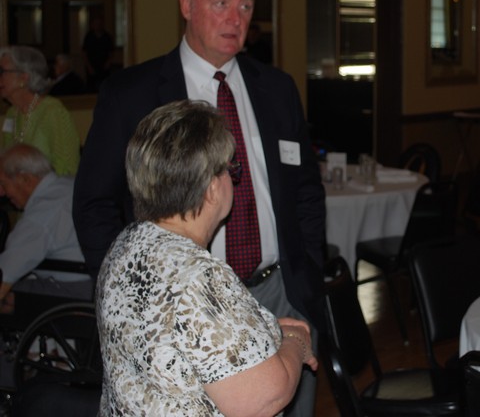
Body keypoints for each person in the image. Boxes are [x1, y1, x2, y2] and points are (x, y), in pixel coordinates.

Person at [73, 0, 326, 417]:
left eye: (247, 6)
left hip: (280, 289)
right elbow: (93, 202)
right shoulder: (134, 92)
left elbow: (306, 189)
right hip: (181, 302)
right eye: (222, 2)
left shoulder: (277, 88)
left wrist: (307, 269)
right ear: (186, 3)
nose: (236, 19)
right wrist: (130, 289)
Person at [97, 100, 318, 415]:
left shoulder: (127, 245)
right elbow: (261, 400)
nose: (232, 179)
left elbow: (178, 344)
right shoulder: (198, 276)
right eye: (230, 169)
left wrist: (267, 329)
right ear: (213, 188)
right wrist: (294, 341)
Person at [0, 144, 92, 312]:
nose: (2, 193)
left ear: (25, 179)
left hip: (75, 292)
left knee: (9, 298)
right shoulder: (69, 185)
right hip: (98, 282)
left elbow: (6, 272)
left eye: (4, 184)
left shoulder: (44, 211)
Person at [0, 46, 81, 176]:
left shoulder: (53, 111)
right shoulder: (12, 113)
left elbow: (68, 169)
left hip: (53, 194)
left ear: (24, 78)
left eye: (2, 71)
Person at [82, 17, 115, 90]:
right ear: (92, 25)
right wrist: (88, 66)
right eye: (96, 24)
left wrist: (108, 63)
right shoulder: (89, 37)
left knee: (105, 85)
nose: (98, 26)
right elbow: (84, 53)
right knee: (91, 87)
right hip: (92, 65)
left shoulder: (107, 37)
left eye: (99, 24)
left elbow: (111, 52)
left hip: (104, 66)